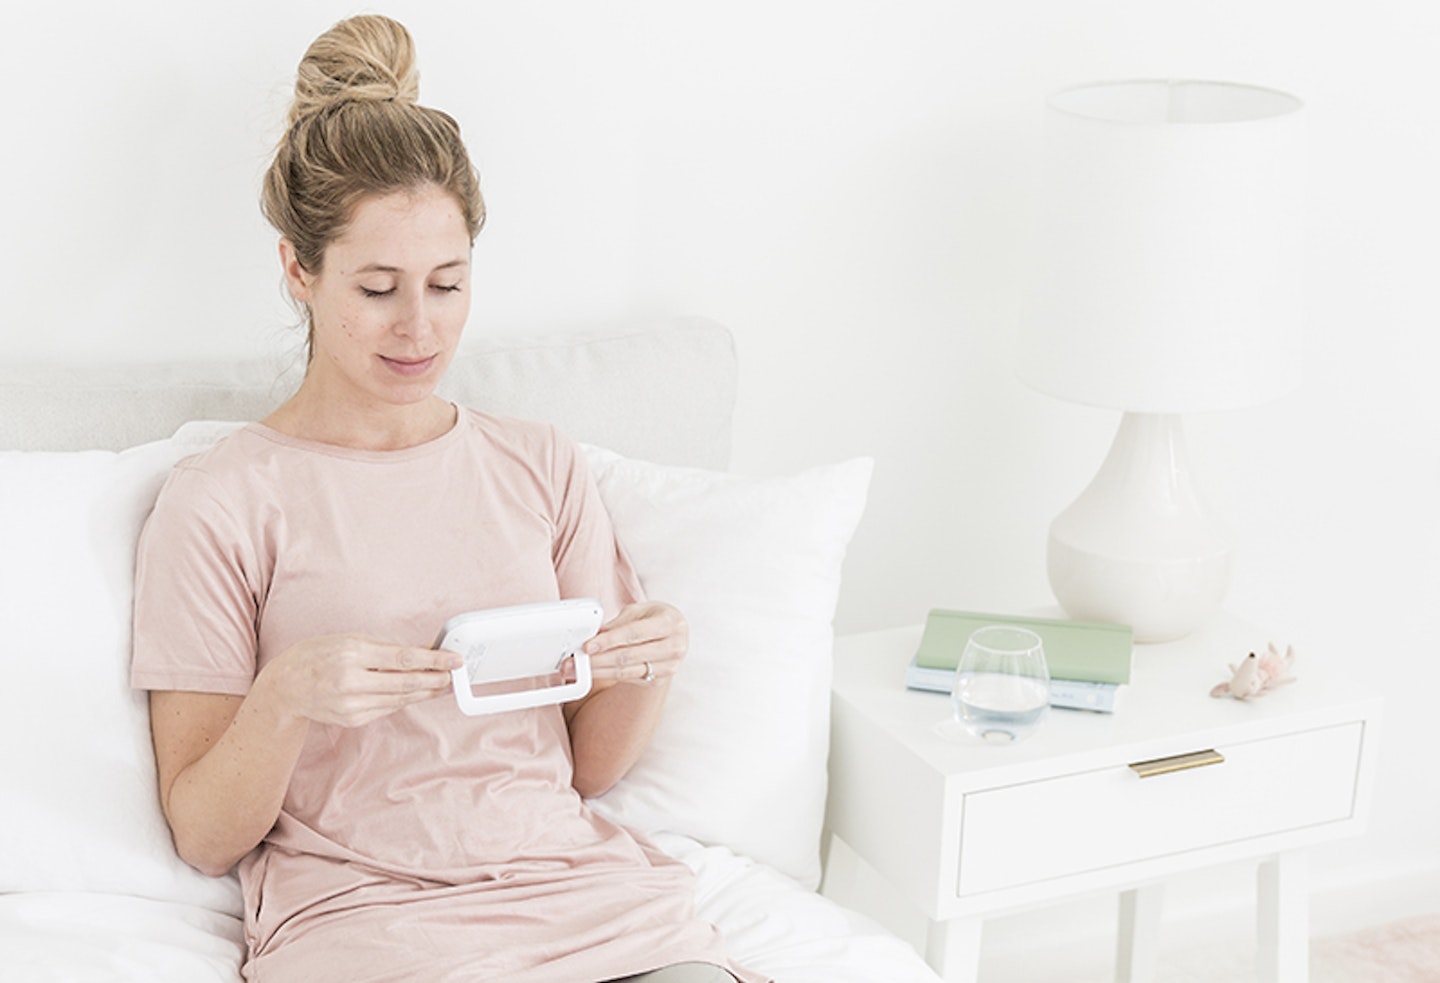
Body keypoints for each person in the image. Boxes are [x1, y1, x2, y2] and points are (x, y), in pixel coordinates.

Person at [129, 15, 761, 983]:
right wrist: (288, 695)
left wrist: (651, 659)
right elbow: (206, 836)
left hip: (585, 906)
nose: (419, 327)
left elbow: (590, 768)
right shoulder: (221, 500)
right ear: (299, 270)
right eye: (378, 287)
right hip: (366, 925)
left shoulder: (540, 465)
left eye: (448, 282)